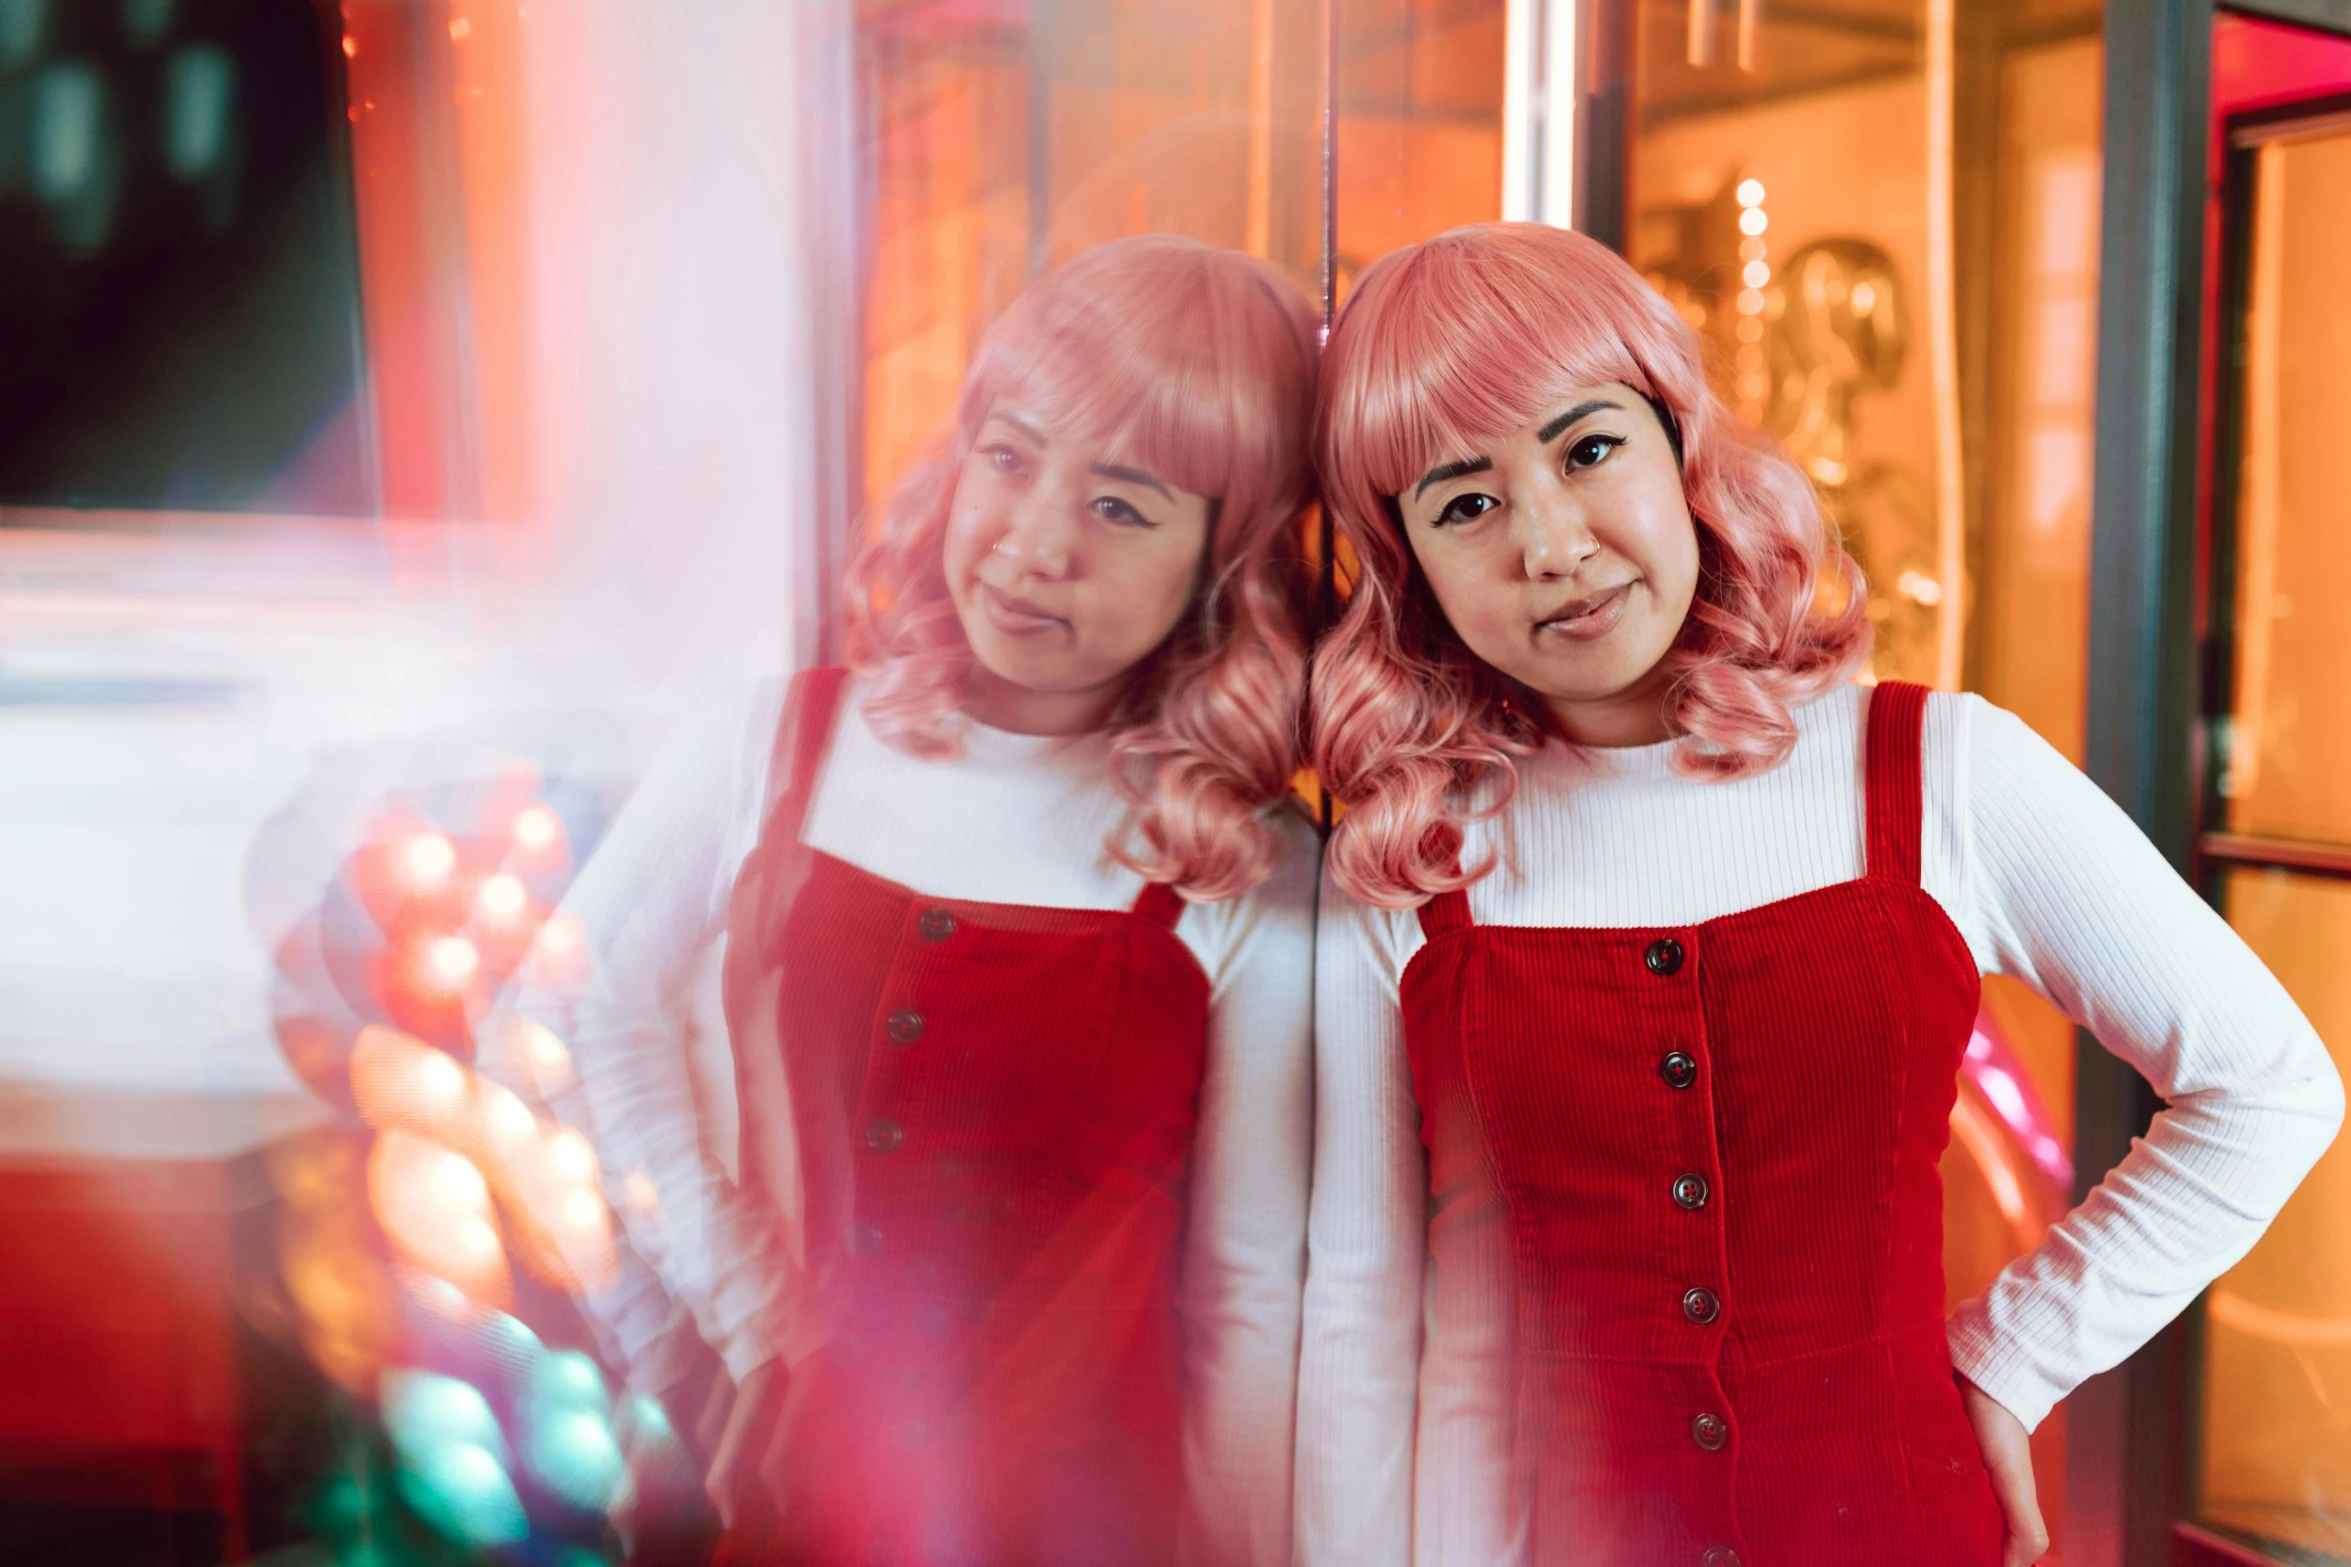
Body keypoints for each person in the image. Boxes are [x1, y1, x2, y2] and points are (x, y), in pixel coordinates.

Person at [1294, 222, 2344, 1567]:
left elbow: (2265, 1087)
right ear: (1409, 570)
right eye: (1463, 500)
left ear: (1680, 446)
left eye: (1587, 447)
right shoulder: (1404, 858)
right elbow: (1368, 1317)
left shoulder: (1938, 769)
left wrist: (2006, 1359)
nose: (1550, 543)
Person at [522, 235, 1321, 1567]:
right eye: (1007, 459)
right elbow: (556, 1022)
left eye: (1120, 505)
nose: (1032, 542)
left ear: (1223, 563)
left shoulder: (1250, 864)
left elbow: (1254, 1298)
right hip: (768, 1513)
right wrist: (721, 1336)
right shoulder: (769, 743)